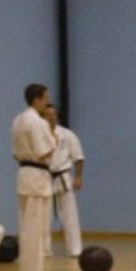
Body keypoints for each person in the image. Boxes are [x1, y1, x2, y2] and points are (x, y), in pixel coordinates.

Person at [11, 83, 56, 271]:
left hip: (24, 173)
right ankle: (34, 270)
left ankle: (29, 268)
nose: (47, 103)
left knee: (27, 224)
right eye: (45, 99)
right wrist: (53, 137)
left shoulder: (18, 120)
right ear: (37, 99)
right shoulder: (37, 122)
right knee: (37, 225)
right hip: (37, 175)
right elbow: (43, 151)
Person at [43, 103, 85, 258]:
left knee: (70, 216)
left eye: (53, 114)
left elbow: (78, 157)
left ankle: (75, 249)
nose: (51, 117)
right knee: (44, 216)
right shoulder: (39, 134)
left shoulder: (67, 135)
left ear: (57, 116)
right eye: (47, 115)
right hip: (45, 176)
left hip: (63, 176)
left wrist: (78, 177)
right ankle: (45, 250)